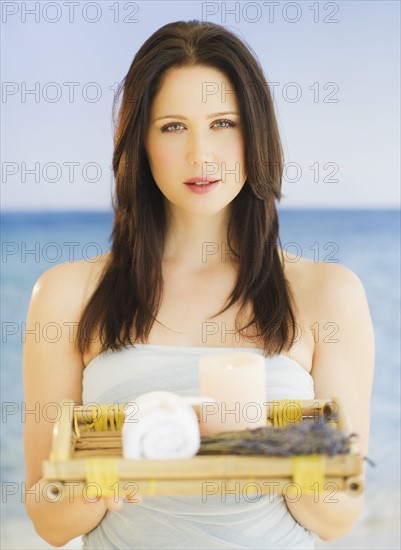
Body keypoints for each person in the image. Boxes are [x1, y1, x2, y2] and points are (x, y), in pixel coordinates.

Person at [23, 19, 375, 549]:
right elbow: (48, 521)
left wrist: (274, 459)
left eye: (223, 122)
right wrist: (103, 480)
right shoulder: (66, 294)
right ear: (139, 141)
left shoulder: (328, 293)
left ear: (257, 132)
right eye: (172, 126)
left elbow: (339, 518)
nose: (200, 155)